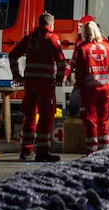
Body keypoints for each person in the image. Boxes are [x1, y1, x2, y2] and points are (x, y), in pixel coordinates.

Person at [9, 12, 66, 162]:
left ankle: (26, 150)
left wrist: (17, 75)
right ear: (51, 25)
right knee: (46, 117)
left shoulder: (29, 40)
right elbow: (61, 61)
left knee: (29, 116)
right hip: (45, 85)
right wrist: (59, 79)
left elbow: (13, 55)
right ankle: (42, 151)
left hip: (29, 84)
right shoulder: (52, 40)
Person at [72, 21, 109, 154]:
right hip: (104, 90)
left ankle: (92, 152)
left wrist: (79, 87)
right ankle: (105, 151)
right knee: (104, 120)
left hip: (89, 91)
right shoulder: (107, 47)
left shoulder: (82, 48)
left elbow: (79, 72)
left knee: (91, 120)